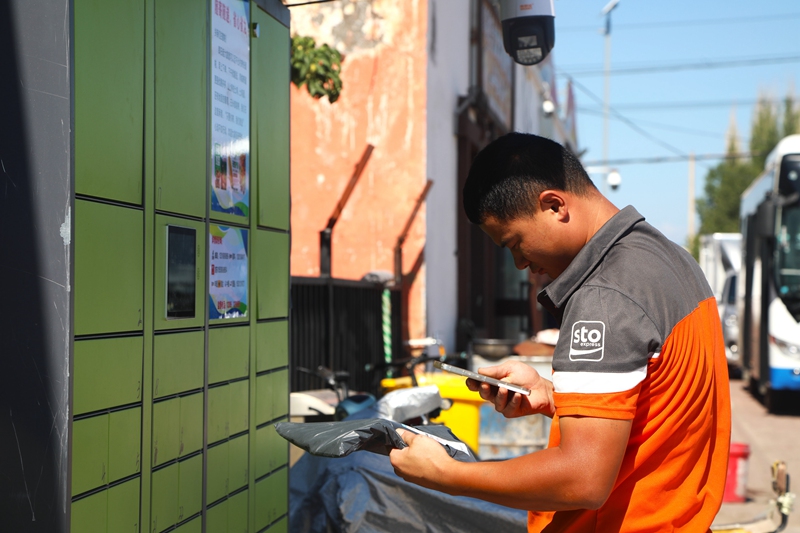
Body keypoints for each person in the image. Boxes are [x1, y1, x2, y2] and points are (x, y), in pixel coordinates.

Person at [389, 133, 731, 532]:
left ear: (554, 205)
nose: (520, 263)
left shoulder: (605, 296)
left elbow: (582, 478)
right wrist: (553, 395)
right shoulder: (671, 260)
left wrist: (447, 475)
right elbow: (662, 406)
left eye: (515, 243)